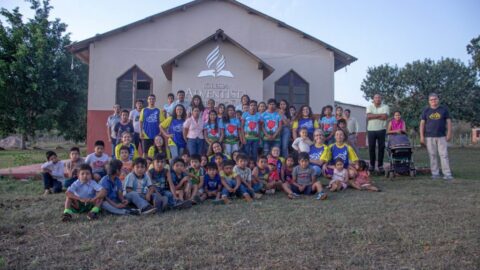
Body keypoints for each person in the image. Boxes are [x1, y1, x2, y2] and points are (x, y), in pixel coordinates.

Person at [420, 93, 453, 180]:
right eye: (431, 100)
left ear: (438, 100)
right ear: (429, 101)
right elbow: (422, 124)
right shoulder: (426, 111)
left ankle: (447, 174)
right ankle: (435, 174)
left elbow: (449, 122)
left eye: (435, 99)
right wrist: (422, 136)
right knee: (432, 155)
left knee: (444, 155)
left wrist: (449, 133)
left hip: (442, 136)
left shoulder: (444, 110)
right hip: (429, 136)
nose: (433, 101)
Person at [366, 94, 389, 173]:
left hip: (381, 129)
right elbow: (368, 116)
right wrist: (380, 115)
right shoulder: (369, 106)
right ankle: (372, 165)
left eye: (379, 97)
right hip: (371, 130)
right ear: (373, 99)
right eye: (376, 97)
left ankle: (380, 165)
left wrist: (373, 116)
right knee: (371, 148)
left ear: (381, 99)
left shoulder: (385, 106)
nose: (378, 99)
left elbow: (385, 117)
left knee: (381, 148)